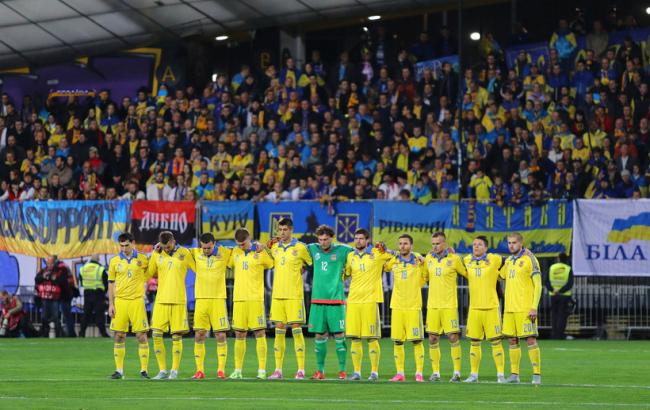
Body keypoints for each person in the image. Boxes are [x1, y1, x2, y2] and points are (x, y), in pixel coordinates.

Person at [343, 228, 392, 381]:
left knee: (372, 338)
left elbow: (397, 256)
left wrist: (386, 249)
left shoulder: (377, 253)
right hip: (353, 301)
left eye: (361, 238)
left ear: (367, 240)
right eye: (356, 238)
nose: (358, 241)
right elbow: (346, 274)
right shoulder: (350, 256)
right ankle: (357, 372)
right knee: (355, 338)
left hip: (370, 301)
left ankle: (374, 372)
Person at [266, 218, 313, 380]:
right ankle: (278, 370)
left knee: (296, 330)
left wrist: (303, 269)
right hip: (278, 295)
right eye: (280, 229)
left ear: (291, 230)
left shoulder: (300, 247)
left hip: (294, 295)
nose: (282, 232)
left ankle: (301, 369)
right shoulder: (274, 247)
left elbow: (311, 263)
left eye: (285, 229)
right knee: (279, 331)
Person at [306, 225, 353, 380]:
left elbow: (361, 252)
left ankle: (342, 371)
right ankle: (320, 371)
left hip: (336, 300)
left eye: (326, 239)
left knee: (339, 335)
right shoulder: (313, 248)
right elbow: (295, 248)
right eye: (320, 239)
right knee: (319, 336)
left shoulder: (343, 250)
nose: (323, 242)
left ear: (332, 238)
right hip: (317, 300)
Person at [148, 231, 196, 380]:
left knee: (176, 336)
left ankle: (174, 370)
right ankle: (162, 370)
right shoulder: (158, 254)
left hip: (178, 300)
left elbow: (198, 270)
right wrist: (154, 254)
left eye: (168, 246)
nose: (166, 249)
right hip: (161, 300)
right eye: (164, 247)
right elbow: (149, 273)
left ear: (173, 241)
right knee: (156, 335)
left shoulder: (185, 253)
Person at [227, 228, 274, 380]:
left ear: (249, 239)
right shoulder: (235, 252)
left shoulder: (259, 252)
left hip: (255, 299)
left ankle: (262, 370)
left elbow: (271, 263)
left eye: (243, 244)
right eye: (238, 244)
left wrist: (263, 248)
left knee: (259, 333)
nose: (241, 246)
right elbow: (226, 261)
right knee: (239, 334)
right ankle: (237, 370)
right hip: (239, 299)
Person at [107, 233, 152, 379]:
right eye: (121, 246)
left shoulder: (143, 259)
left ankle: (144, 370)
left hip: (137, 301)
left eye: (126, 245)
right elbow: (111, 283)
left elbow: (152, 271)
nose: (124, 248)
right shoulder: (114, 261)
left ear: (132, 243)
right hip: (120, 301)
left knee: (141, 335)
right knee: (119, 335)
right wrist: (111, 304)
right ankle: (119, 370)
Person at [423, 231, 467, 382]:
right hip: (433, 306)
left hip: (449, 305)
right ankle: (436, 372)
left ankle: (457, 372)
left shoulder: (454, 259)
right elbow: (425, 276)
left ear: (444, 243)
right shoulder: (428, 259)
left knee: (453, 337)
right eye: (433, 244)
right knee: (432, 338)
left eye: (438, 243)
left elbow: (467, 273)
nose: (435, 246)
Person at [500, 233, 542, 385]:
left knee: (530, 339)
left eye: (514, 243)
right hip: (509, 309)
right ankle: (514, 375)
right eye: (509, 243)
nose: (511, 245)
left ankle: (536, 374)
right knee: (512, 340)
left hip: (525, 309)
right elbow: (499, 276)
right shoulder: (508, 261)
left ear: (521, 243)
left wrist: (534, 307)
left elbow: (538, 285)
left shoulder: (530, 259)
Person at [462, 236, 506, 383]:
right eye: (474, 244)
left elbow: (509, 260)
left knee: (496, 341)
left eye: (479, 244)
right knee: (474, 341)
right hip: (474, 308)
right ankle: (473, 374)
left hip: (491, 307)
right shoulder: (467, 260)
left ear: (486, 248)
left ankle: (500, 375)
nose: (476, 246)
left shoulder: (494, 259)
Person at [190, 233, 233, 380]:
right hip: (201, 299)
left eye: (208, 248)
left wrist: (256, 247)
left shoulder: (225, 252)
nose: (206, 250)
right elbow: (178, 251)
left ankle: (221, 370)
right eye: (203, 248)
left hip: (218, 299)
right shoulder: (195, 253)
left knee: (221, 335)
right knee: (199, 334)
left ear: (214, 243)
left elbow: (240, 250)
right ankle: (199, 370)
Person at [385, 234, 425, 382]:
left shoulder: (418, 260)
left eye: (405, 243)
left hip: (413, 306)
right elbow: (383, 265)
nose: (402, 246)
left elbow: (428, 263)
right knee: (398, 341)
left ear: (411, 245)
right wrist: (386, 252)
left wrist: (419, 255)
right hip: (397, 306)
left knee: (416, 340)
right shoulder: (394, 261)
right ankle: (400, 373)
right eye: (400, 243)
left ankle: (419, 373)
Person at [34, 256, 67, 337]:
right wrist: (43, 277)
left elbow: (64, 282)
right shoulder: (43, 271)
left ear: (54, 263)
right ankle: (45, 334)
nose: (50, 265)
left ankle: (58, 334)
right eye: (48, 263)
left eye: (51, 263)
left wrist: (55, 279)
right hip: (45, 298)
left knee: (56, 317)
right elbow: (36, 279)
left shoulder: (59, 271)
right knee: (44, 317)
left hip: (55, 298)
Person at [79, 255, 109, 338]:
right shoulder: (100, 269)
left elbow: (81, 281)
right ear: (98, 259)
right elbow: (106, 282)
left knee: (86, 314)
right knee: (99, 314)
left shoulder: (83, 268)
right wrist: (104, 292)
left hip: (87, 293)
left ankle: (82, 333)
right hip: (98, 294)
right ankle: (103, 333)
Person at [545, 253, 574, 340]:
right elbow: (570, 283)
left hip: (553, 295)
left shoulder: (552, 267)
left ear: (558, 258)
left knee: (554, 315)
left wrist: (553, 290)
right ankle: (560, 334)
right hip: (564, 295)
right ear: (566, 259)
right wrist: (560, 291)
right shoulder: (568, 269)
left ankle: (554, 334)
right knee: (562, 315)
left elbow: (546, 281)